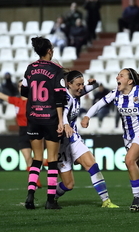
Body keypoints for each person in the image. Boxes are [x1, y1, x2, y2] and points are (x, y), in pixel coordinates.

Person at [81, 68, 139, 211]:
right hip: (128, 137)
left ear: (130, 81)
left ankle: (137, 198)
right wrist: (87, 116)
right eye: (117, 75)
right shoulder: (116, 93)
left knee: (129, 160)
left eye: (121, 75)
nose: (117, 77)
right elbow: (99, 104)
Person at [55, 70, 118, 208]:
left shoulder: (77, 92)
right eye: (78, 84)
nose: (81, 87)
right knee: (68, 184)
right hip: (60, 144)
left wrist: (94, 83)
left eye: (82, 84)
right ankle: (52, 197)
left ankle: (106, 201)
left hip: (73, 138)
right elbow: (64, 112)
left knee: (92, 164)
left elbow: (96, 86)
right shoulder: (64, 97)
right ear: (68, 84)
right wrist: (65, 124)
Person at [21, 36, 66, 209]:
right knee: (52, 159)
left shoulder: (30, 68)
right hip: (50, 119)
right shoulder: (56, 69)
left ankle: (30, 195)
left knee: (36, 159)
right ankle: (50, 200)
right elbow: (59, 98)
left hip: (33, 117)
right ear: (49, 51)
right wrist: (61, 121)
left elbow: (24, 92)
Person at [0, 80, 47, 188]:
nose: (21, 88)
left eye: (24, 86)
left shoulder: (34, 101)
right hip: (22, 132)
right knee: (27, 159)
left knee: (37, 158)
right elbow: (2, 96)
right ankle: (35, 181)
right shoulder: (16, 101)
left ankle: (49, 163)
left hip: (34, 129)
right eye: (20, 86)